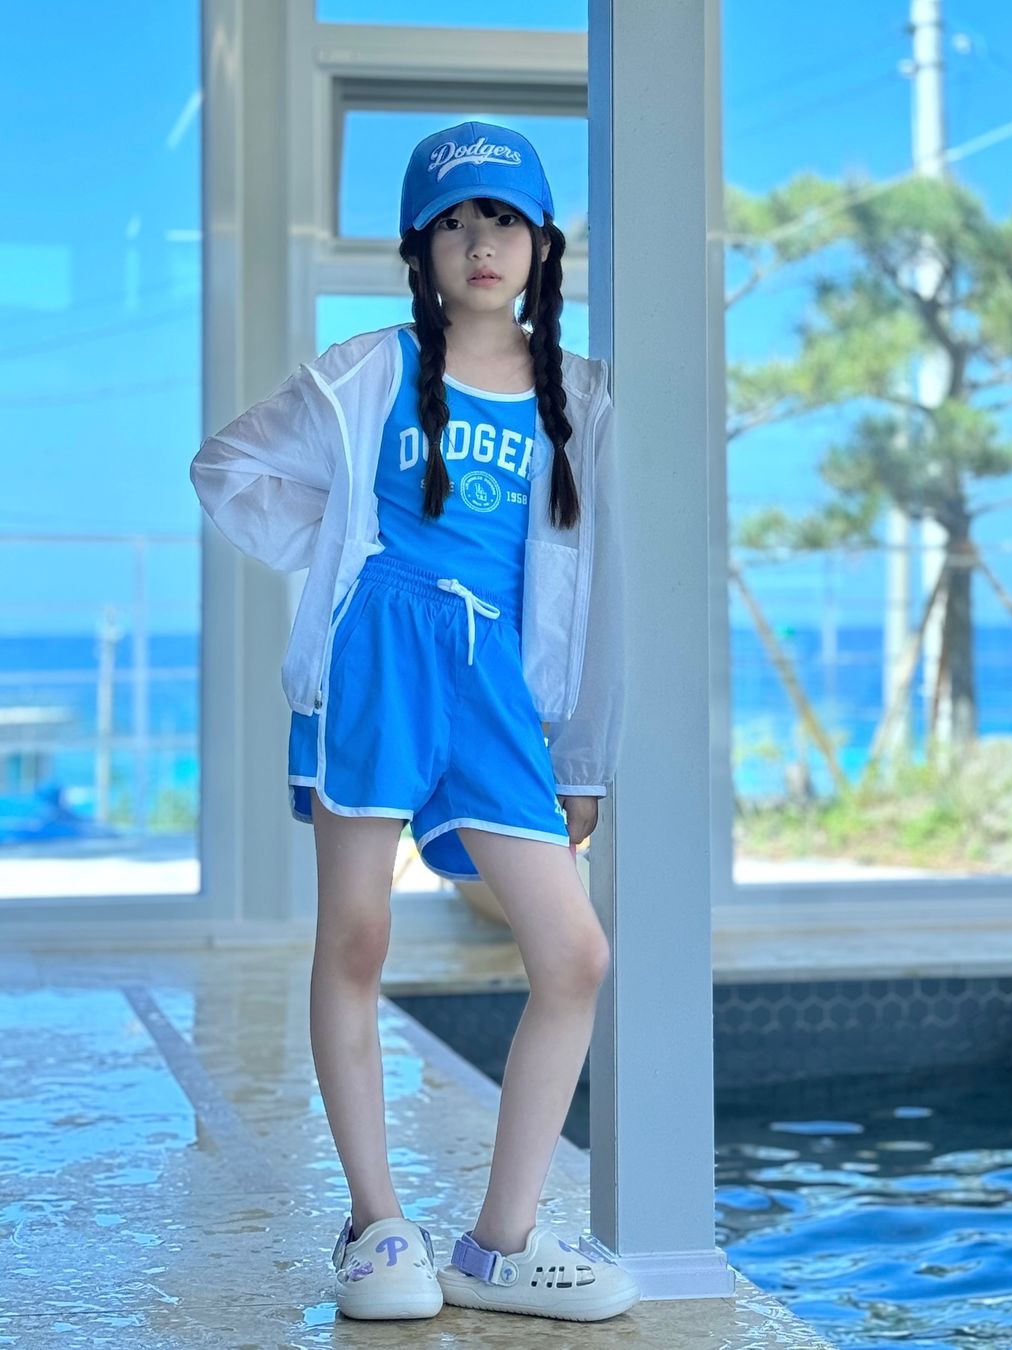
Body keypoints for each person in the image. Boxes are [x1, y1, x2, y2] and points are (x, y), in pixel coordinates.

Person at [190, 120, 636, 1323]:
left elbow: (595, 591)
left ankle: (499, 1245)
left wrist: (582, 757)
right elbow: (228, 468)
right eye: (453, 221)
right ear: (419, 248)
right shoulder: (368, 371)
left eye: (503, 218)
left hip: (496, 688)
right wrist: (348, 561)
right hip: (382, 661)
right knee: (357, 938)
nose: (480, 242)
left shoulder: (581, 398)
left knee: (575, 956)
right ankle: (378, 1225)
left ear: (541, 244)